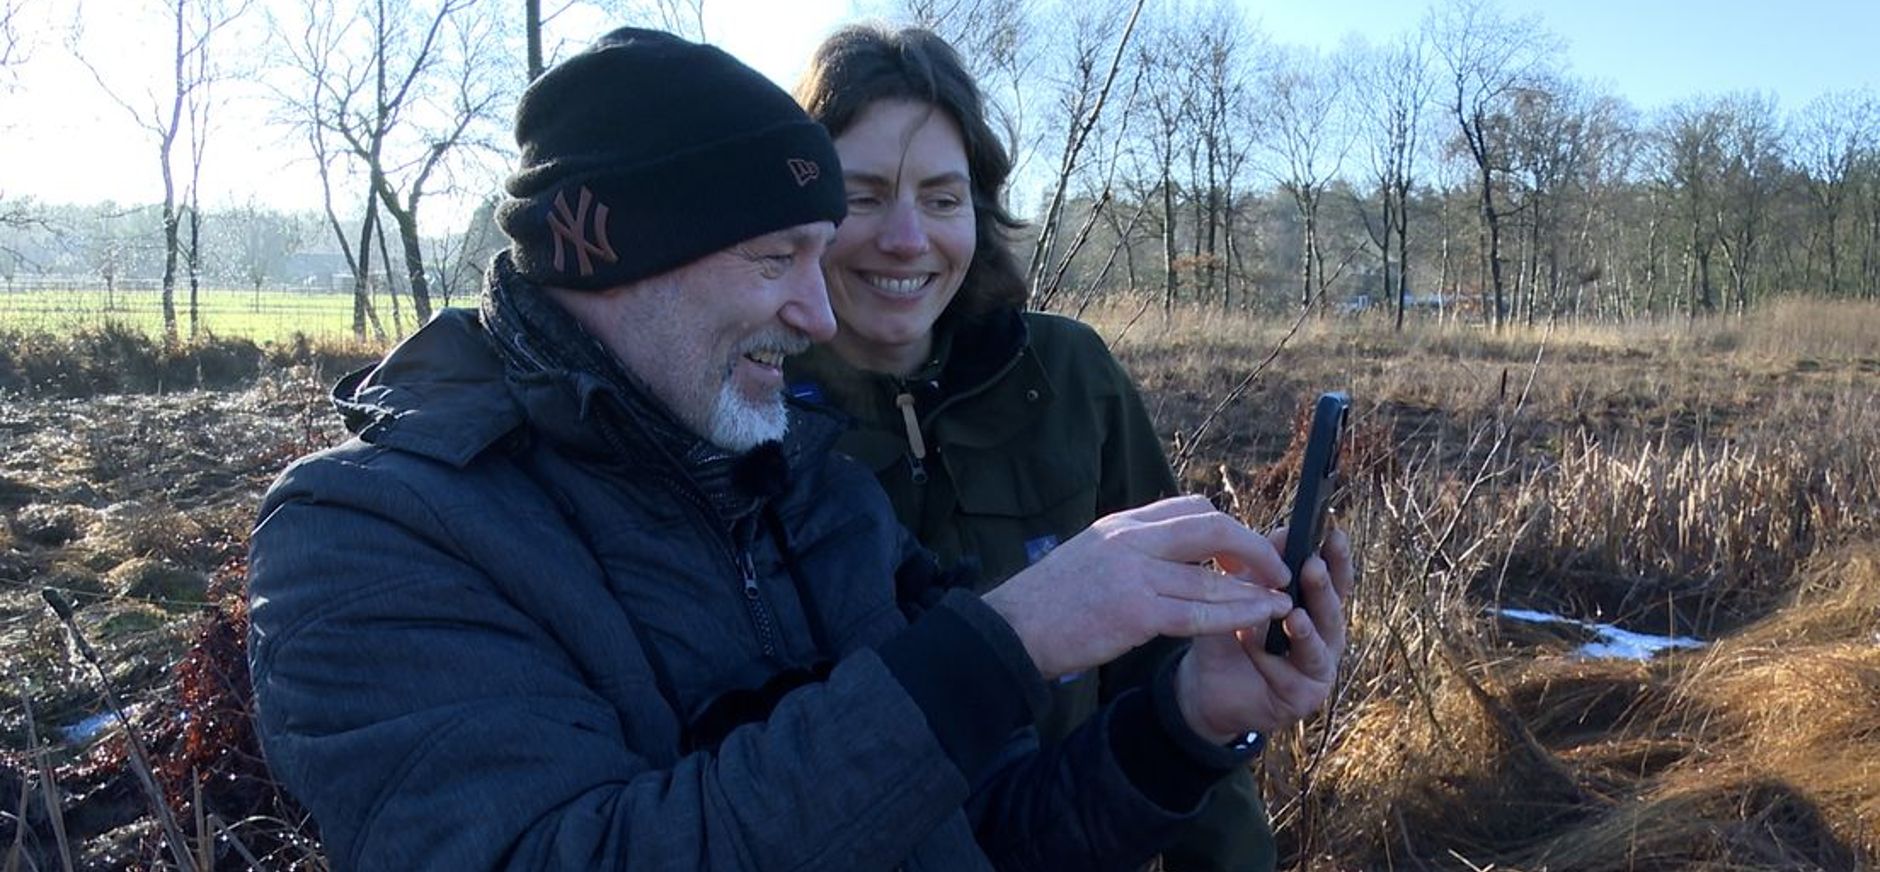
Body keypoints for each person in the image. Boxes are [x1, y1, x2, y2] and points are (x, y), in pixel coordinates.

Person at [245, 27, 1352, 871]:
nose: (820, 314)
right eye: (780, 257)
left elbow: (973, 830)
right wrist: (1005, 639)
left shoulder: (809, 486)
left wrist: (1189, 718)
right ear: (620, 260)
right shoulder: (369, 535)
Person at [787, 25, 1276, 871]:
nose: (907, 239)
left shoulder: (1068, 377)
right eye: (861, 197)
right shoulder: (746, 412)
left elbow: (1176, 668)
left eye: (942, 199)